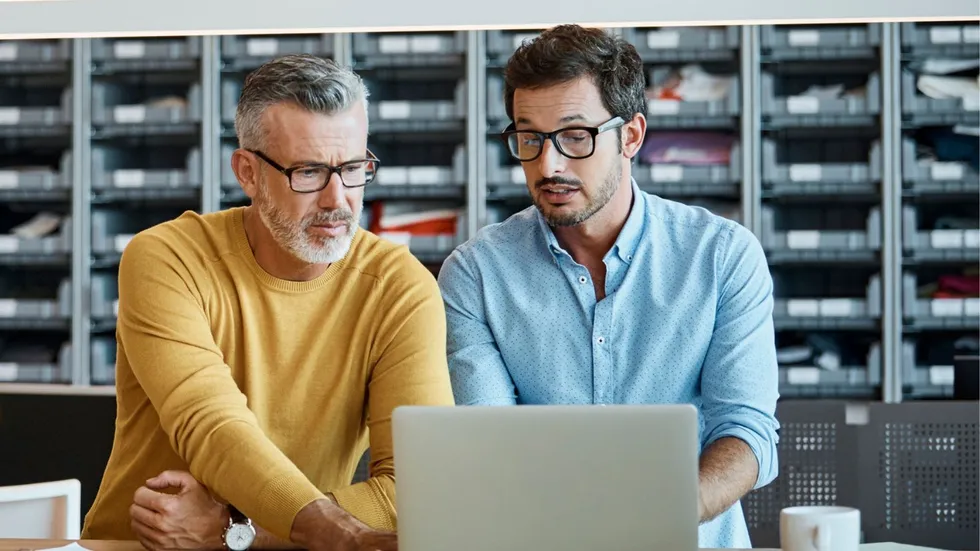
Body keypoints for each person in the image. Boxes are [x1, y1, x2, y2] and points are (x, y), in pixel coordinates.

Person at [81, 54, 455, 551]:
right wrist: (330, 533)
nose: (337, 199)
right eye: (308, 172)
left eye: (352, 169)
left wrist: (236, 533)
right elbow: (213, 425)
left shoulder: (399, 286)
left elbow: (415, 485)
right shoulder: (168, 258)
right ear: (248, 173)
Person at [437, 24, 779, 549]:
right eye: (530, 138)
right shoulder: (476, 274)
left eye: (576, 137)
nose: (548, 164)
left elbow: (747, 433)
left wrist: (660, 514)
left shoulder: (721, 256)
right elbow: (490, 444)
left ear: (632, 136)